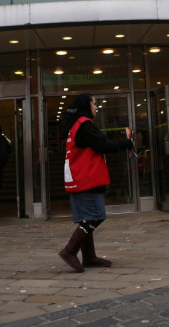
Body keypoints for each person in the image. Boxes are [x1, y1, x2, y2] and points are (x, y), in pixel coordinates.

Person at [58, 93, 135, 272]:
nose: (96, 107)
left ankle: (89, 256)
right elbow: (104, 145)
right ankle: (70, 251)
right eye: (94, 103)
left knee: (87, 218)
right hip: (87, 178)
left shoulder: (74, 126)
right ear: (86, 106)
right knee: (95, 216)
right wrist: (127, 142)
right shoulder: (84, 125)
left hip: (77, 177)